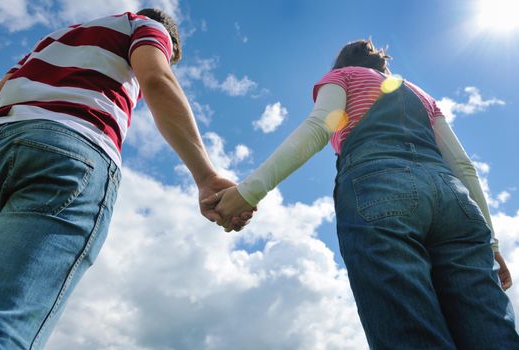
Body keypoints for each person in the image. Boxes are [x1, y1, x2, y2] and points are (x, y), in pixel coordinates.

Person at [204, 39, 519, 349]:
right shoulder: (422, 96)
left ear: (341, 63)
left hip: (380, 189)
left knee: (412, 333)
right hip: (455, 200)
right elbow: (463, 166)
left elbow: (319, 127)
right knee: (492, 332)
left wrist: (248, 192)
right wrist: (491, 244)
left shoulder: (344, 77)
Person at [0, 8, 250, 349]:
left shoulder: (50, 42)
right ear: (169, 41)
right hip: (68, 151)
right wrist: (205, 175)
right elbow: (156, 79)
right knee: (5, 320)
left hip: (3, 137)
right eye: (170, 56)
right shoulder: (145, 26)